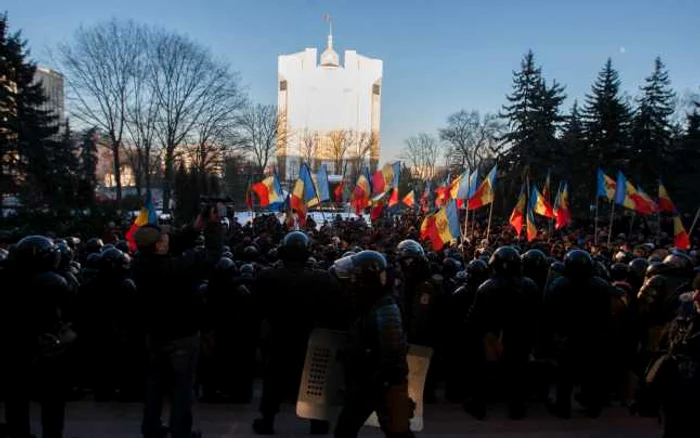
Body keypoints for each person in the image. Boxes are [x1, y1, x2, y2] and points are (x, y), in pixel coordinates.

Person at [252, 231, 340, 435]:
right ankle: (317, 422)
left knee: (273, 380)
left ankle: (267, 420)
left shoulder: (268, 276)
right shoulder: (322, 278)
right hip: (310, 336)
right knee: (313, 379)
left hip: (278, 336)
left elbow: (255, 307)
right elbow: (336, 308)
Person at [131, 225, 204, 438]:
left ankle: (151, 428)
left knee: (154, 386)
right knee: (182, 388)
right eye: (164, 239)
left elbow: (170, 248)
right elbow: (209, 256)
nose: (167, 241)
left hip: (155, 336)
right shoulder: (175, 267)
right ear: (159, 245)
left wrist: (194, 227)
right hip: (182, 336)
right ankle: (180, 431)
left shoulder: (140, 265)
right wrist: (213, 228)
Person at [333, 251, 414, 438]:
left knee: (397, 431)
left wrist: (376, 382)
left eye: (356, 277)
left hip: (381, 382)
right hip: (370, 379)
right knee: (346, 429)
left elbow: (392, 353)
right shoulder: (373, 303)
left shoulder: (386, 309)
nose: (353, 282)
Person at [1, 236, 75, 438]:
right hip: (48, 346)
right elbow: (70, 312)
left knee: (16, 397)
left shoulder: (9, 279)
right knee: (52, 400)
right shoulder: (55, 281)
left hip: (16, 346)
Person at [465, 246, 540, 420]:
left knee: (480, 371)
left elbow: (474, 317)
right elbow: (537, 313)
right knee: (518, 373)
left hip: (492, 339)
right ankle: (517, 408)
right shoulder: (530, 285)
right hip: (521, 338)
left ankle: (478, 406)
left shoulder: (486, 287)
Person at [544, 249, 612, 418]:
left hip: (568, 337)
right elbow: (606, 313)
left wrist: (553, 334)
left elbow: (550, 313)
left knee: (565, 374)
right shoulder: (602, 285)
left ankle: (563, 407)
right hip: (594, 336)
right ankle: (593, 406)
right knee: (592, 372)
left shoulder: (559, 285)